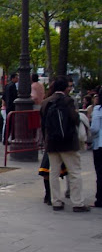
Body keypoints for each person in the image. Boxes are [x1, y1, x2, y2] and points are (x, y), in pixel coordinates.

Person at [40, 75, 89, 212]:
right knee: (74, 172)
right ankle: (77, 202)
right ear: (66, 88)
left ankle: (56, 201)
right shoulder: (69, 101)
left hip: (52, 143)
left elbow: (43, 124)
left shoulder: (46, 102)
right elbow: (74, 119)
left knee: (53, 173)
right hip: (68, 143)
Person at [90, 87, 102, 208]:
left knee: (100, 173)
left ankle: (100, 199)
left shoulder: (98, 109)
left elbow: (94, 128)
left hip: (99, 145)